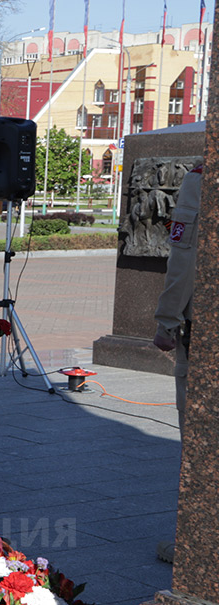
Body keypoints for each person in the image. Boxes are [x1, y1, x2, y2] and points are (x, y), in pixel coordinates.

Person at [152, 161, 201, 564]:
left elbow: (183, 257)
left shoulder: (200, 179)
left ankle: (196, 542)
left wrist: (167, 320)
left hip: (203, 331)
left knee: (200, 440)